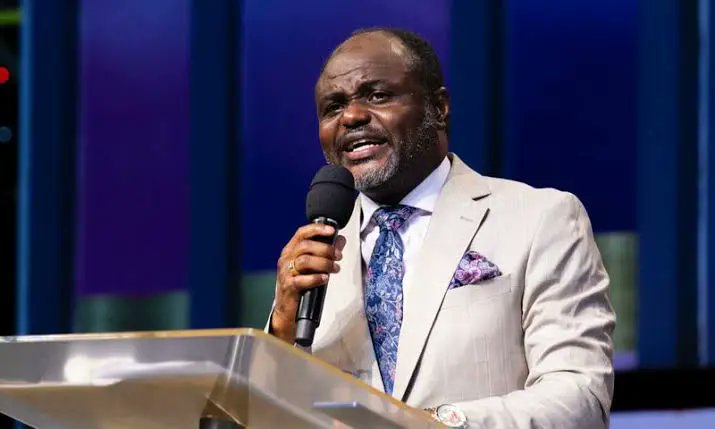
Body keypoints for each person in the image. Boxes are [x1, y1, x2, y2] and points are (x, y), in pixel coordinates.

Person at [268, 27, 615, 429]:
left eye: (377, 95)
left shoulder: (541, 217)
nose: (351, 117)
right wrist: (280, 331)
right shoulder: (313, 259)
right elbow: (264, 412)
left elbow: (578, 397)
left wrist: (431, 424)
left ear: (438, 107)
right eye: (333, 107)